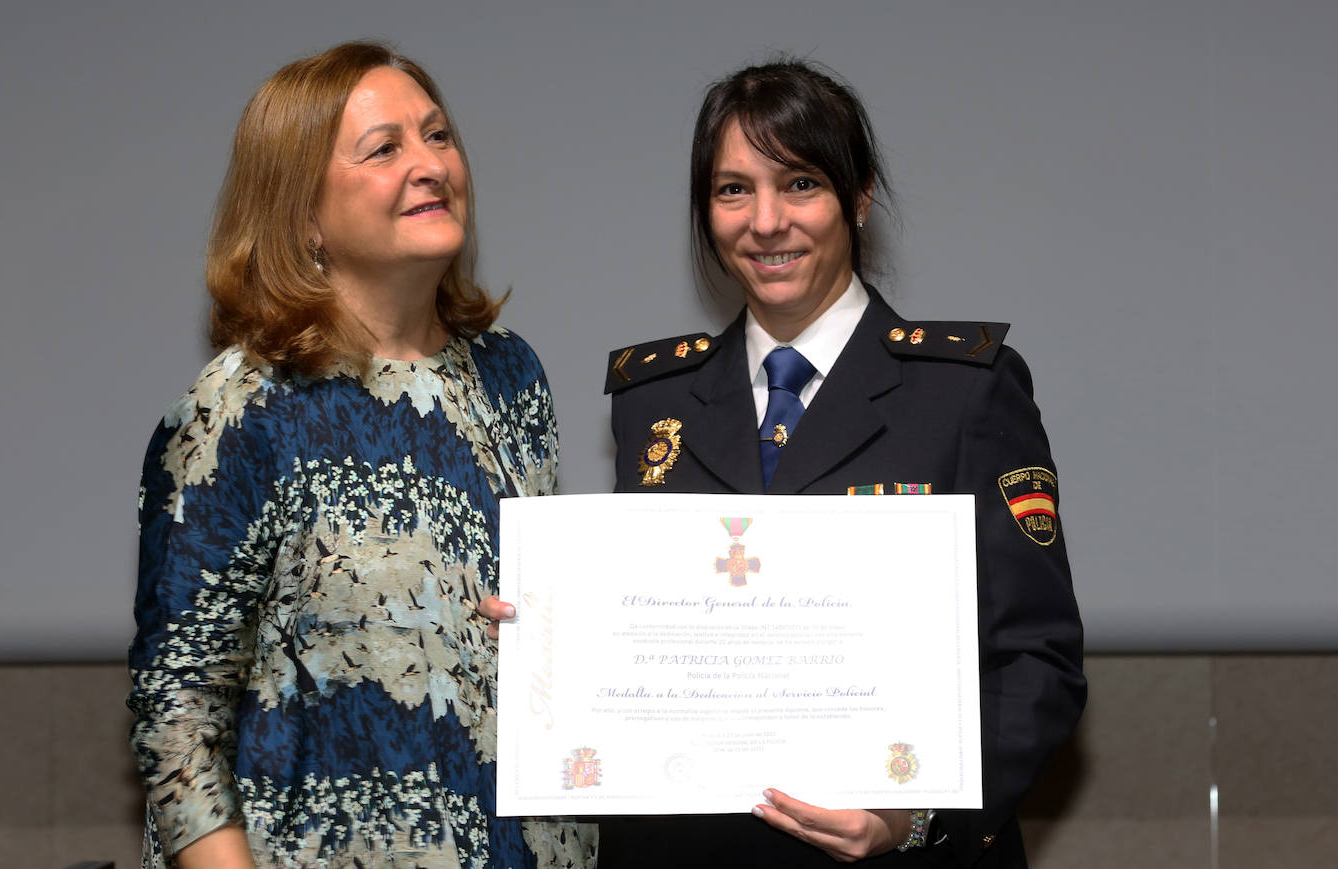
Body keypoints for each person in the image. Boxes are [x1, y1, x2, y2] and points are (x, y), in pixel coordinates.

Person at [598, 59, 1086, 867]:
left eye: (799, 184)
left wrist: (913, 813)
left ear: (858, 198)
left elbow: (1036, 663)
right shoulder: (654, 401)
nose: (765, 221)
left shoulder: (964, 389)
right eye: (731, 190)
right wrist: (551, 626)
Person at [127, 41, 594, 869]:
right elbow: (178, 716)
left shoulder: (512, 375)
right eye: (386, 149)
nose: (431, 165)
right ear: (302, 213)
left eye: (439, 135)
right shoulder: (243, 407)